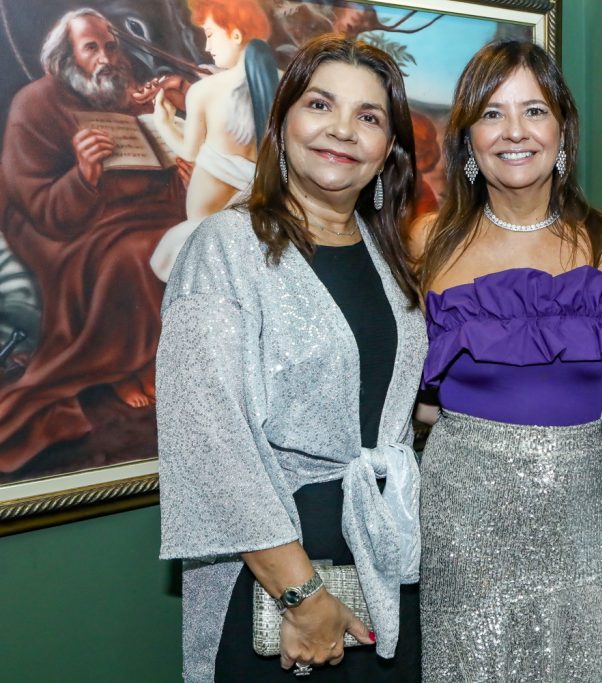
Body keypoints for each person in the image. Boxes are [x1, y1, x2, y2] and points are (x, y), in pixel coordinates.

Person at [156, 37, 425, 682]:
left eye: (369, 117)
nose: (341, 130)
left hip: (382, 558)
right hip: (278, 580)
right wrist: (301, 596)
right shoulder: (223, 248)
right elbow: (209, 438)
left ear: (388, 147)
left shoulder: (387, 254)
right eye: (321, 105)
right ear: (281, 125)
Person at [409, 39, 602, 683]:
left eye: (534, 111)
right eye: (491, 113)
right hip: (463, 511)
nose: (514, 132)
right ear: (468, 138)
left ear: (562, 129)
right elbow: (404, 382)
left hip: (584, 510)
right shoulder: (426, 240)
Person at [0, 9, 186, 472]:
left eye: (110, 45)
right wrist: (83, 174)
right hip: (64, 228)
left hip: (139, 213)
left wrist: (179, 166)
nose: (105, 57)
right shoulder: (34, 104)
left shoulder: (124, 95)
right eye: (91, 47)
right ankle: (126, 366)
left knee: (184, 238)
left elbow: (159, 169)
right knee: (135, 255)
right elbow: (35, 204)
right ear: (67, 56)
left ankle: (150, 355)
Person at [148, 0, 279, 281]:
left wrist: (163, 122)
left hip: (207, 229)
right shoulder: (284, 84)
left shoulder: (205, 91)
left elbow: (189, 151)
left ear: (234, 34)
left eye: (209, 34)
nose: (207, 47)